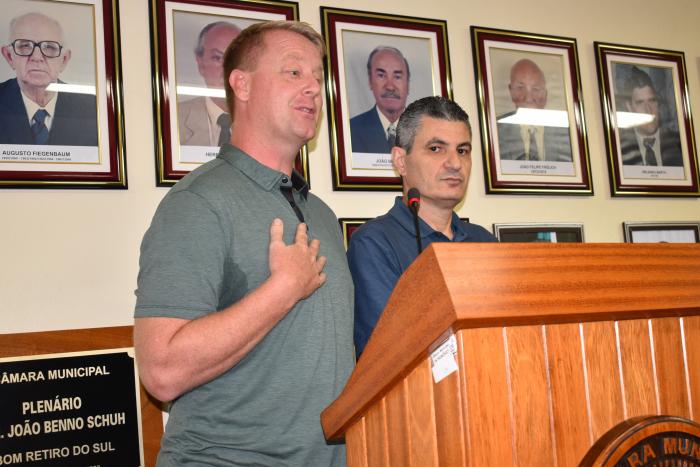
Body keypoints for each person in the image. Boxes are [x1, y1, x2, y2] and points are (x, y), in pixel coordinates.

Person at [134, 21, 354, 466]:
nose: (314, 87)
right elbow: (161, 371)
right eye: (294, 72)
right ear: (242, 84)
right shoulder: (197, 202)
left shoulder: (321, 214)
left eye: (318, 76)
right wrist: (283, 289)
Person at [348, 96, 497, 357]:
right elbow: (391, 354)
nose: (455, 163)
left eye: (462, 150)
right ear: (400, 161)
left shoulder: (485, 241)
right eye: (436, 149)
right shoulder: (374, 244)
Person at [0, 12, 97, 146]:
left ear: (64, 60)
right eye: (25, 45)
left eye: (49, 47)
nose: (36, 57)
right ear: (9, 56)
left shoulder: (92, 108)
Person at [177, 21, 241, 146]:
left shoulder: (267, 123)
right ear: (201, 63)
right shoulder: (175, 118)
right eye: (217, 58)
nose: (227, 69)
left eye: (235, 58)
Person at [497, 58, 572, 162]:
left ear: (545, 93)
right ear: (511, 91)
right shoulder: (496, 131)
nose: (528, 98)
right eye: (520, 88)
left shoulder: (567, 133)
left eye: (536, 89)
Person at [617, 66, 683, 166]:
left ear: (658, 103)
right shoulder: (620, 149)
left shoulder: (679, 143)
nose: (648, 110)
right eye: (640, 103)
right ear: (629, 107)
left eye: (652, 100)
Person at [350, 46, 409, 153]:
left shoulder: (425, 131)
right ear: (370, 81)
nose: (390, 87)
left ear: (407, 84)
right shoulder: (351, 130)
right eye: (381, 75)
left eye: (397, 77)